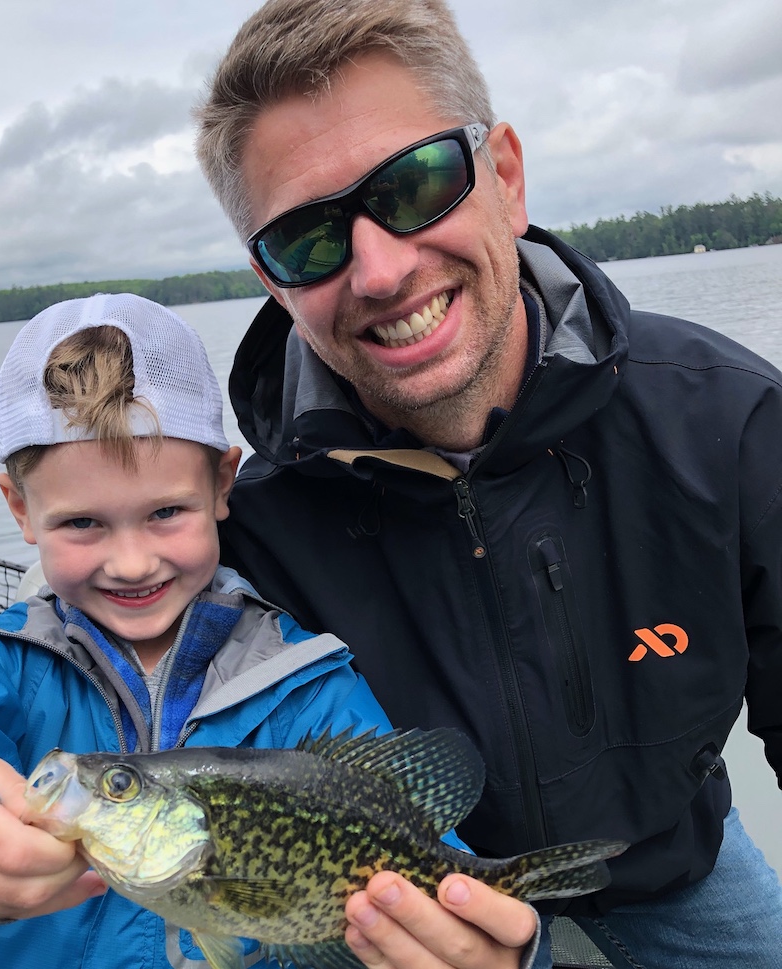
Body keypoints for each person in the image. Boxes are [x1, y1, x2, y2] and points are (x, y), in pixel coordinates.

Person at [189, 0, 782, 966]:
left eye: (418, 184)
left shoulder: (731, 422)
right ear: (272, 281)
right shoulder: (243, 530)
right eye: (307, 238)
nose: (379, 270)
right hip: (416, 912)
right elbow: (64, 692)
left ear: (503, 176)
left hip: (679, 863)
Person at [0, 292, 536, 969]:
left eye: (165, 512)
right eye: (82, 522)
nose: (132, 559)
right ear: (18, 509)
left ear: (222, 484)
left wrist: (485, 944)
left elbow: (425, 860)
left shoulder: (311, 687)